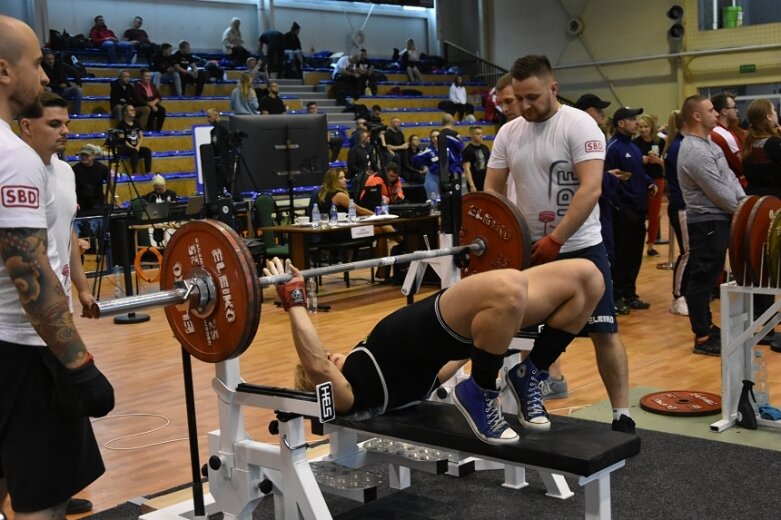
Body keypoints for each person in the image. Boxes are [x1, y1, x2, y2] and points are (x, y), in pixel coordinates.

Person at [265, 253, 603, 444]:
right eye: (329, 361)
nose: (330, 355)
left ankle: (532, 373)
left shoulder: (408, 386)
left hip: (459, 326)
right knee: (509, 285)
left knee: (588, 279)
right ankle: (481, 391)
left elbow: (460, 356)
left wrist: (492, 340)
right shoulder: (350, 396)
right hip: (441, 321)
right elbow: (316, 366)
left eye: (329, 354)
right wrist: (294, 298)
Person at [0, 15, 113, 518]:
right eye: (37, 64)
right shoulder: (15, 156)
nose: (45, 77)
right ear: (4, 71)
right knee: (43, 506)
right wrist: (80, 366)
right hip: (24, 352)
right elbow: (31, 276)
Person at [485, 54, 635, 433]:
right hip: (529, 248)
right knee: (515, 327)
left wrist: (558, 238)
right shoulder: (509, 132)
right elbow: (492, 191)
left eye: (532, 97)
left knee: (604, 331)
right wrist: (503, 240)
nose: (524, 107)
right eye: (518, 99)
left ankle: (621, 413)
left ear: (553, 88)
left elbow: (591, 188)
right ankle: (520, 386)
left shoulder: (580, 124)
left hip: (579, 245)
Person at [677, 95, 745, 356]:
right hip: (706, 220)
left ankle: (707, 326)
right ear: (696, 116)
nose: (716, 113)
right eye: (710, 110)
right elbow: (717, 190)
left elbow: (729, 178)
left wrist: (744, 204)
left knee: (710, 275)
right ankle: (702, 335)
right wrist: (741, 210)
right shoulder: (693, 150)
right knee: (703, 278)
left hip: (720, 218)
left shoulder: (710, 144)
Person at [606, 106, 658, 311]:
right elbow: (608, 177)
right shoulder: (614, 147)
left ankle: (630, 293)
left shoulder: (634, 148)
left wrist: (649, 182)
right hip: (622, 211)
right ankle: (616, 296)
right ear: (621, 124)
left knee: (635, 254)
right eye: (632, 119)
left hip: (638, 209)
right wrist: (619, 207)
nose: (636, 122)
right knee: (621, 255)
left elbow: (636, 172)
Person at [662, 110, 690, 316]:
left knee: (693, 252)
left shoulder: (681, 144)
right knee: (687, 252)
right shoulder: (678, 146)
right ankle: (678, 296)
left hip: (687, 205)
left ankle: (688, 293)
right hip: (681, 206)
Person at [633, 114, 666, 257]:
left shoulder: (660, 142)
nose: (643, 129)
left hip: (657, 179)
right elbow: (632, 164)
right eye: (640, 127)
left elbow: (666, 163)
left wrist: (659, 161)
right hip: (640, 181)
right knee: (640, 213)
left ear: (651, 127)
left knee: (654, 214)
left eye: (645, 126)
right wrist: (642, 160)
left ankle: (651, 245)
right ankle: (637, 243)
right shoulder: (635, 143)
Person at [742, 98, 781, 198]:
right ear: (769, 117)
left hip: (754, 199)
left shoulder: (748, 142)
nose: (776, 113)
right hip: (775, 201)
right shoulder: (773, 143)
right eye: (774, 110)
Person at [710, 92, 745, 186]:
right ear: (724, 111)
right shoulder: (723, 134)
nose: (737, 111)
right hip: (734, 183)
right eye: (734, 107)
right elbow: (740, 165)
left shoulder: (726, 130)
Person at [42, 50, 82, 115]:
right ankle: (49, 114)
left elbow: (74, 71)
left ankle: (76, 113)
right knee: (48, 90)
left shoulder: (60, 65)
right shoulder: (41, 68)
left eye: (52, 59)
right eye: (48, 59)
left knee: (78, 90)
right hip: (51, 91)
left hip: (63, 90)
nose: (50, 61)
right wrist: (59, 85)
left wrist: (78, 84)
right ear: (44, 60)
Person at [73, 144, 110, 213]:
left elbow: (110, 184)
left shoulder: (102, 168)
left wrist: (116, 199)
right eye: (82, 155)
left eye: (87, 155)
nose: (84, 157)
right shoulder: (75, 169)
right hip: (81, 204)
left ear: (94, 156)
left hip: (98, 203)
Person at [116, 104, 152, 174]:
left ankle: (148, 172)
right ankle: (134, 172)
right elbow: (123, 140)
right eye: (131, 110)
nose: (134, 111)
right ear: (125, 113)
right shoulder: (121, 125)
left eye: (134, 110)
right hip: (125, 148)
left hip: (135, 147)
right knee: (134, 151)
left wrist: (138, 146)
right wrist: (133, 147)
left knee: (147, 151)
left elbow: (141, 136)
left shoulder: (136, 122)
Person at [462, 126, 490, 192]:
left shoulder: (485, 148)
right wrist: (472, 185)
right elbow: (466, 169)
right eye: (477, 134)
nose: (480, 135)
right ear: (472, 135)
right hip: (474, 182)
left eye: (481, 133)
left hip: (485, 181)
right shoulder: (467, 150)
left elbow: (489, 165)